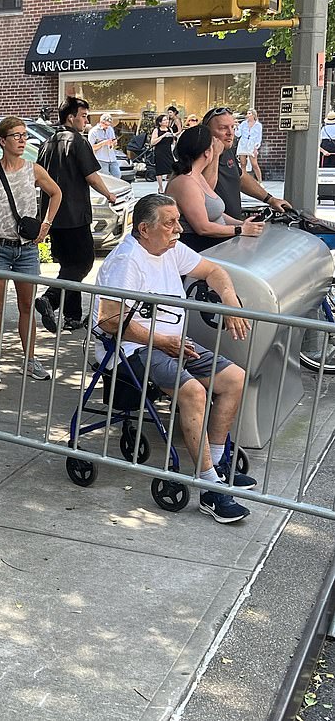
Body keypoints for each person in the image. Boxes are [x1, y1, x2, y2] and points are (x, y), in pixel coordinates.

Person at [94, 194, 258, 524]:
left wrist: (229, 298)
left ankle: (217, 462)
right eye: (170, 223)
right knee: (194, 392)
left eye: (178, 220)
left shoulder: (169, 249)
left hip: (173, 342)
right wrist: (164, 341)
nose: (179, 229)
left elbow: (213, 270)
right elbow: (110, 321)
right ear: (144, 229)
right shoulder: (127, 261)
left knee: (235, 379)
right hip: (133, 349)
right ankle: (210, 488)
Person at [0, 115, 62, 384]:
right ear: (3, 141)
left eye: (24, 135)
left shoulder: (33, 170)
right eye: (17, 136)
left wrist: (46, 223)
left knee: (26, 306)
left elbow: (56, 192)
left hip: (26, 248)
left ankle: (31, 360)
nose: (22, 140)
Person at [35, 96, 117, 334]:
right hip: (74, 213)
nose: (86, 121)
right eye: (83, 116)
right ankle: (50, 298)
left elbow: (38, 176)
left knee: (68, 265)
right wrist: (109, 194)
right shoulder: (78, 141)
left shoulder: (47, 142)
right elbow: (91, 176)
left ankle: (72, 315)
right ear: (70, 117)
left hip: (52, 214)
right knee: (82, 263)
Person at [165, 125, 264, 253]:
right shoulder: (185, 183)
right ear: (207, 152)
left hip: (215, 246)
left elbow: (214, 212)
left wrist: (243, 224)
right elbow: (203, 228)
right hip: (199, 249)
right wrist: (240, 230)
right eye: (213, 146)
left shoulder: (197, 176)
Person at [202, 106, 291, 219]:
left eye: (232, 127)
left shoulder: (228, 151)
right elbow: (204, 192)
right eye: (223, 128)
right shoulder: (199, 155)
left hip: (234, 227)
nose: (230, 133)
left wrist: (270, 199)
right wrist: (215, 155)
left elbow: (241, 177)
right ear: (207, 131)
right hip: (215, 228)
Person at [88, 113, 120, 178]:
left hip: (112, 157)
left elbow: (113, 140)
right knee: (105, 178)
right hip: (101, 158)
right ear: (101, 122)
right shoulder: (94, 131)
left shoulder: (110, 129)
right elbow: (90, 147)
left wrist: (114, 142)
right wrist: (103, 143)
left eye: (109, 125)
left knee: (117, 175)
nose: (107, 126)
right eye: (105, 124)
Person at [235, 108, 263, 182]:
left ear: (253, 115)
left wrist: (256, 147)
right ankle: (243, 180)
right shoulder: (244, 124)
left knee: (254, 164)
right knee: (243, 164)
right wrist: (237, 127)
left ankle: (260, 181)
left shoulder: (258, 125)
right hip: (243, 144)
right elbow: (238, 134)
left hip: (252, 145)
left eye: (249, 113)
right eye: (247, 113)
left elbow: (259, 137)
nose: (247, 115)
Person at [150, 114, 176, 192]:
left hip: (168, 151)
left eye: (167, 120)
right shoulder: (156, 130)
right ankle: (160, 188)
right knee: (160, 170)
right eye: (164, 120)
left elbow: (173, 142)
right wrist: (163, 136)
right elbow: (152, 142)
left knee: (172, 169)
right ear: (160, 122)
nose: (166, 121)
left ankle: (169, 186)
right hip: (160, 151)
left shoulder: (170, 129)